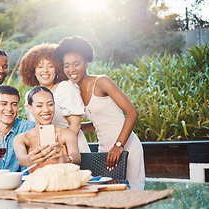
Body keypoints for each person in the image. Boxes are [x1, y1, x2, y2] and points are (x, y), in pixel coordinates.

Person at [55, 36, 145, 181]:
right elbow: (98, 123)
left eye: (76, 64)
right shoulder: (74, 91)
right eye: (66, 65)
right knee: (110, 195)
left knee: (132, 193)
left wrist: (118, 145)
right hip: (105, 150)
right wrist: (71, 128)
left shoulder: (102, 82)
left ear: (86, 63)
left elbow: (132, 112)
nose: (71, 69)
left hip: (126, 146)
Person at [19, 43, 90, 153]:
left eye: (50, 66)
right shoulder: (30, 94)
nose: (45, 70)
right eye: (40, 66)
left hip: (70, 149)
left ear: (57, 69)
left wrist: (61, 149)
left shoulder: (65, 87)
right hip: (45, 150)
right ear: (33, 71)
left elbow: (75, 124)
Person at [13, 86, 81, 172]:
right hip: (37, 184)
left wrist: (65, 159)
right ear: (30, 108)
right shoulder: (22, 138)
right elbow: (21, 159)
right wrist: (29, 160)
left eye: (50, 104)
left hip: (64, 183)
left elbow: (76, 157)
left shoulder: (67, 133)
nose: (46, 109)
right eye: (39, 106)